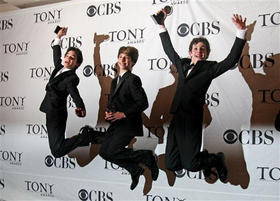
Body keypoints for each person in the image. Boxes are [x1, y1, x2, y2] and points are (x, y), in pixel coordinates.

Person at [157, 11, 247, 183]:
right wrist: (161, 25)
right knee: (171, 163)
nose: (199, 51)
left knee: (191, 165)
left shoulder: (209, 69)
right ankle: (202, 158)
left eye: (202, 49)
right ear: (190, 52)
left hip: (192, 119)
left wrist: (240, 33)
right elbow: (169, 50)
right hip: (176, 118)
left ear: (206, 54)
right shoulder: (182, 64)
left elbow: (231, 60)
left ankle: (215, 160)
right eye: (196, 48)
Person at [98, 46, 159, 190]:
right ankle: (134, 169)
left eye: (127, 58)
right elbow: (113, 103)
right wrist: (109, 113)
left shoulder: (133, 79)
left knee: (112, 151)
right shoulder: (114, 81)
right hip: (116, 124)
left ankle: (146, 156)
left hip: (128, 124)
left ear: (133, 62)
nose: (123, 60)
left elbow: (143, 103)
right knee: (103, 152)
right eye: (120, 56)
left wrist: (123, 114)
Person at [40, 27, 94, 158]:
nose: (68, 59)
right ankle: (85, 137)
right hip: (50, 110)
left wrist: (80, 106)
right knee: (56, 148)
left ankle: (86, 136)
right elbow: (56, 52)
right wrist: (59, 37)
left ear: (77, 63)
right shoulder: (59, 67)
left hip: (57, 114)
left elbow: (74, 93)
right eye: (67, 56)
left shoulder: (72, 78)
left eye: (72, 58)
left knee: (57, 151)